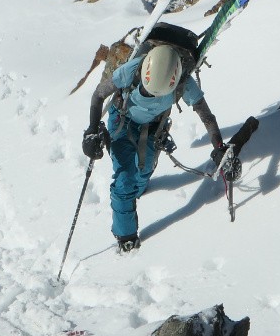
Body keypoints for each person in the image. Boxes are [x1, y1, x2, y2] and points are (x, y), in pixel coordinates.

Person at [81, 40, 241, 252]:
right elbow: (100, 93)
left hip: (154, 128)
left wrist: (219, 147)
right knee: (124, 182)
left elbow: (206, 115)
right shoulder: (133, 70)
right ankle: (126, 237)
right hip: (123, 121)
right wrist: (92, 129)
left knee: (143, 172)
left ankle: (136, 187)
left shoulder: (183, 81)